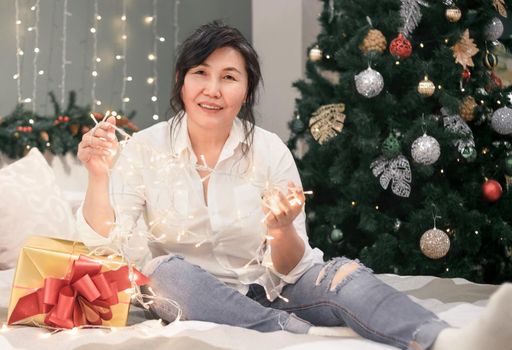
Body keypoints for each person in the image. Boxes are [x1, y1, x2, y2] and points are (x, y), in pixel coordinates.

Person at [77, 21, 512, 350]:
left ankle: (444, 339)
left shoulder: (268, 151)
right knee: (161, 274)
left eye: (229, 77)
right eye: (200, 73)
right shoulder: (144, 148)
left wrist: (282, 229)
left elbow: (289, 266)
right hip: (191, 293)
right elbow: (110, 248)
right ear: (182, 81)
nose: (212, 89)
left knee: (344, 275)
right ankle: (301, 336)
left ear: (246, 91)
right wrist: (99, 176)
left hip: (273, 286)